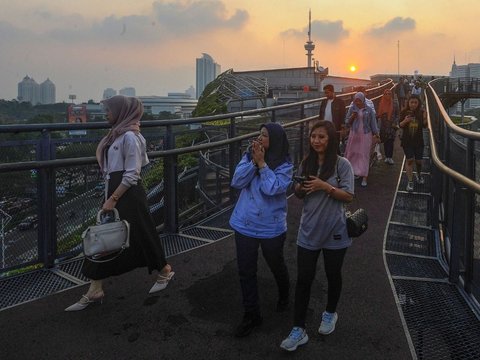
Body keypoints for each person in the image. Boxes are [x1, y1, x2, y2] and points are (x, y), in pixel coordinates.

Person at [65, 95, 174, 311]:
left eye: (109, 110)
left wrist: (113, 199)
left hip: (127, 193)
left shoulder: (130, 137)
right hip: (116, 190)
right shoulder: (116, 135)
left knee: (141, 234)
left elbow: (133, 173)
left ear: (121, 112)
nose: (106, 113)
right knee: (106, 238)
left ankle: (164, 270)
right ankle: (95, 288)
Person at [280, 121, 354, 352]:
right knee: (304, 279)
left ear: (330, 139)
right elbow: (298, 193)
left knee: (333, 274)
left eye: (321, 137)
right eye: (313, 136)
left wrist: (325, 186)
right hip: (309, 229)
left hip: (335, 230)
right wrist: (300, 189)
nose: (316, 141)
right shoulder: (306, 163)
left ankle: (330, 313)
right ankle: (298, 329)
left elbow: (349, 196)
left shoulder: (342, 165)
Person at [229, 122, 293, 337]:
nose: (259, 138)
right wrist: (254, 163)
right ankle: (251, 314)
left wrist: (263, 165)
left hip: (271, 228)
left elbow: (272, 189)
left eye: (264, 135)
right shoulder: (249, 157)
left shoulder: (285, 165)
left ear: (274, 140)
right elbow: (237, 181)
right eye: (259, 134)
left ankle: (284, 293)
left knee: (276, 264)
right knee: (246, 271)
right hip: (244, 224)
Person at [344, 92, 380, 187]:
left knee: (364, 154)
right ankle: (354, 171)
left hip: (365, 134)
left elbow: (373, 123)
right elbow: (347, 122)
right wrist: (352, 116)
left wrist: (376, 134)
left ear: (363, 100)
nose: (357, 102)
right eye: (356, 100)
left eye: (359, 100)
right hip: (354, 134)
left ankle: (364, 176)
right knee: (352, 153)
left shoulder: (369, 110)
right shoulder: (352, 108)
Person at [399, 94, 427, 191]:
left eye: (415, 102)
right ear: (408, 103)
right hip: (407, 141)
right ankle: (410, 181)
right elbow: (400, 125)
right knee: (410, 160)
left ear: (418, 103)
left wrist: (425, 118)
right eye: (411, 102)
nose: (413, 104)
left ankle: (419, 175)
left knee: (419, 162)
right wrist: (406, 120)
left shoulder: (421, 112)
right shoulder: (404, 112)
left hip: (419, 141)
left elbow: (425, 126)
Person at [319, 84, 346, 151]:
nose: (326, 94)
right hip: (324, 127)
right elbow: (320, 115)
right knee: (325, 145)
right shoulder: (324, 102)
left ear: (332, 92)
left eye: (327, 93)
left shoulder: (340, 102)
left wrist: (342, 128)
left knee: (334, 146)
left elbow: (342, 115)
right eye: (325, 93)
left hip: (335, 128)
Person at [376, 89, 399, 165]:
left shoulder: (395, 103)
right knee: (386, 141)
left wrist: (395, 122)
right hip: (384, 125)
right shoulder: (381, 103)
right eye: (386, 94)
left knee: (391, 141)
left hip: (392, 125)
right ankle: (386, 157)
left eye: (389, 94)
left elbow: (397, 114)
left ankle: (390, 157)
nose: (387, 95)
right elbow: (379, 116)